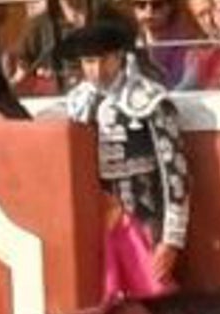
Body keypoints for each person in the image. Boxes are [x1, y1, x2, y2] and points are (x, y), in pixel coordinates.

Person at [62, 21, 189, 298]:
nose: (94, 70)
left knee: (153, 302)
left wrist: (171, 239)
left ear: (119, 56)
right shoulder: (76, 102)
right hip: (93, 222)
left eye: (101, 60)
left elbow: (175, 174)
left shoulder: (149, 99)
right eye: (87, 61)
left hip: (141, 218)